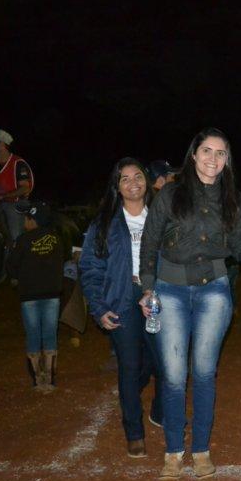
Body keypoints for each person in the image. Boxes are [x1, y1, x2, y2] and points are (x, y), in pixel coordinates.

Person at [139, 128, 241, 480]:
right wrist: (147, 288)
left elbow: (240, 250)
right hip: (170, 289)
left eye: (221, 153)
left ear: (227, 161)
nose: (213, 159)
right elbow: (149, 243)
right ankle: (174, 452)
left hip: (214, 291)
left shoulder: (233, 198)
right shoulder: (170, 193)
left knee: (204, 373)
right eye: (207, 151)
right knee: (173, 376)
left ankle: (201, 450)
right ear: (193, 154)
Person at [79, 157, 162, 459]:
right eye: (124, 178)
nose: (132, 182)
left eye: (137, 176)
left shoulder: (161, 216)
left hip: (157, 295)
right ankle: (134, 432)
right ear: (117, 186)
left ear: (146, 181)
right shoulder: (104, 223)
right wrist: (99, 308)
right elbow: (89, 267)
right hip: (122, 296)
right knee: (129, 367)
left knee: (163, 364)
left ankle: (159, 410)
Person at [7, 200, 64, 392]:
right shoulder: (56, 238)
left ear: (33, 220)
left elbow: (12, 268)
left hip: (29, 296)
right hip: (52, 295)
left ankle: (37, 378)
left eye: (27, 218)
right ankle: (50, 376)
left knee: (33, 334)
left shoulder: (22, 240)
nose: (25, 221)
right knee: (50, 332)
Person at [0, 129, 34, 243]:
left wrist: (2, 197)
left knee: (15, 234)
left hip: (16, 204)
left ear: (2, 144)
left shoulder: (18, 163)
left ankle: (18, 251)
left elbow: (25, 188)